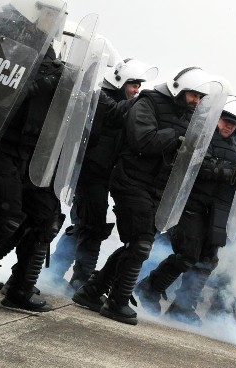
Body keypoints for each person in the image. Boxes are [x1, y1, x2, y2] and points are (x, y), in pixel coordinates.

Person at [71, 66, 215, 325]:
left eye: (200, 98)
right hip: (130, 180)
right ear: (178, 89)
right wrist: (177, 136)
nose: (196, 101)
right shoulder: (148, 102)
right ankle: (117, 301)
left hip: (156, 187)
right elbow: (142, 141)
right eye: (193, 95)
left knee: (135, 244)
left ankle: (92, 291)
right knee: (140, 244)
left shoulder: (189, 115)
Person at [133, 96, 236, 324]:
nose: (228, 126)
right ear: (217, 119)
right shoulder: (201, 137)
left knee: (208, 259)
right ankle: (149, 287)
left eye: (233, 124)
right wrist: (225, 172)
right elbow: (194, 165)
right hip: (189, 206)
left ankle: (183, 306)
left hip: (214, 212)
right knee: (187, 254)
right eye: (225, 120)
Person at [45, 58, 158, 293]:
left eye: (138, 85)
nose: (136, 90)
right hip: (89, 172)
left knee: (86, 225)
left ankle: (57, 271)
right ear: (118, 81)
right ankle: (77, 277)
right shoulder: (101, 98)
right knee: (91, 226)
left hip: (105, 174)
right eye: (132, 84)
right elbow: (112, 116)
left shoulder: (127, 104)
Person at [0, 42, 64, 311]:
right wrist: (38, 82)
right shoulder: (1, 42)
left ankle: (20, 290)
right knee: (4, 215)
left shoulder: (56, 61)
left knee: (46, 217)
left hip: (33, 155)